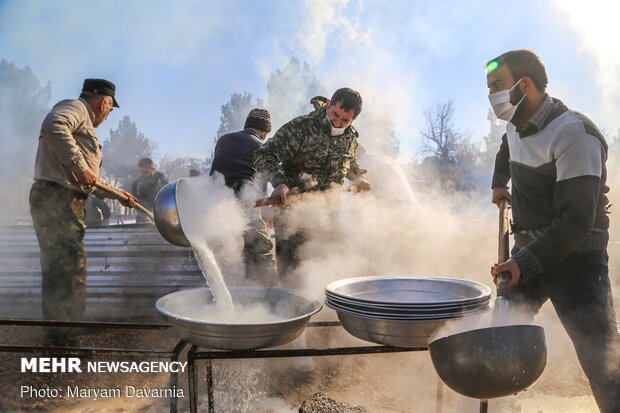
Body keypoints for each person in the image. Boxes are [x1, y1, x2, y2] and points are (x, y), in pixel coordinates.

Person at [487, 49, 620, 412]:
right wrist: (501, 182)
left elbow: (576, 220)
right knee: (497, 334)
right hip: (529, 252)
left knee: (602, 360)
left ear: (524, 84)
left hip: (578, 259)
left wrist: (523, 263)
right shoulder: (518, 125)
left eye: (497, 85)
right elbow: (506, 146)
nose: (491, 96)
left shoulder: (575, 134)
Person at [29, 78, 136, 345]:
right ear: (104, 102)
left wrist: (119, 195)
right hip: (57, 198)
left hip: (63, 198)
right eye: (110, 110)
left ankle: (64, 328)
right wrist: (78, 165)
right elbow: (54, 125)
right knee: (66, 265)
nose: (108, 115)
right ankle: (63, 332)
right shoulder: (75, 108)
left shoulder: (83, 123)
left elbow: (88, 180)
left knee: (66, 266)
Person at [253, 88, 370, 281]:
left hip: (328, 218)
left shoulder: (350, 137)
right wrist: (279, 182)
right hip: (293, 219)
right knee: (294, 280)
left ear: (353, 120)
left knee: (330, 275)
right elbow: (264, 155)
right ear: (330, 103)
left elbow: (347, 163)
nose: (337, 122)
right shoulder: (302, 127)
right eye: (335, 114)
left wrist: (358, 178)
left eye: (345, 120)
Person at [210, 108, 277, 284]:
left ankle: (226, 296)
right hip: (247, 206)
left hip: (218, 208)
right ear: (264, 131)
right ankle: (270, 293)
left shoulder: (223, 140)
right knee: (261, 252)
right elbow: (258, 188)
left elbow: (214, 176)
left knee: (225, 256)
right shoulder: (261, 146)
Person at [131, 158, 168, 223]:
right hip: (144, 213)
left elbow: (167, 194)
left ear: (153, 169)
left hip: (160, 211)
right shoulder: (137, 183)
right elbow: (135, 200)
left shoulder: (161, 177)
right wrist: (145, 214)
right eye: (141, 172)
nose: (143, 174)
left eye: (146, 172)